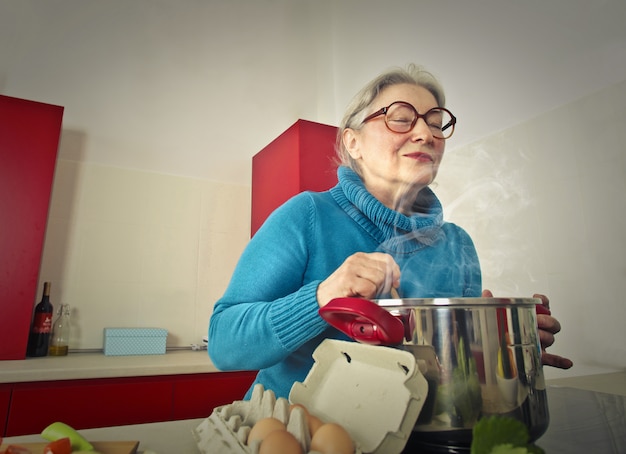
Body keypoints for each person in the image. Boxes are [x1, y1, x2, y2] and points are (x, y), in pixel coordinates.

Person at [208, 64, 573, 400]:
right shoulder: (307, 215)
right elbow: (225, 344)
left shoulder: (457, 243)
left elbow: (451, 375)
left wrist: (498, 350)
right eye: (400, 118)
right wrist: (322, 296)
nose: (425, 133)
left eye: (435, 123)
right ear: (354, 143)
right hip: (301, 434)